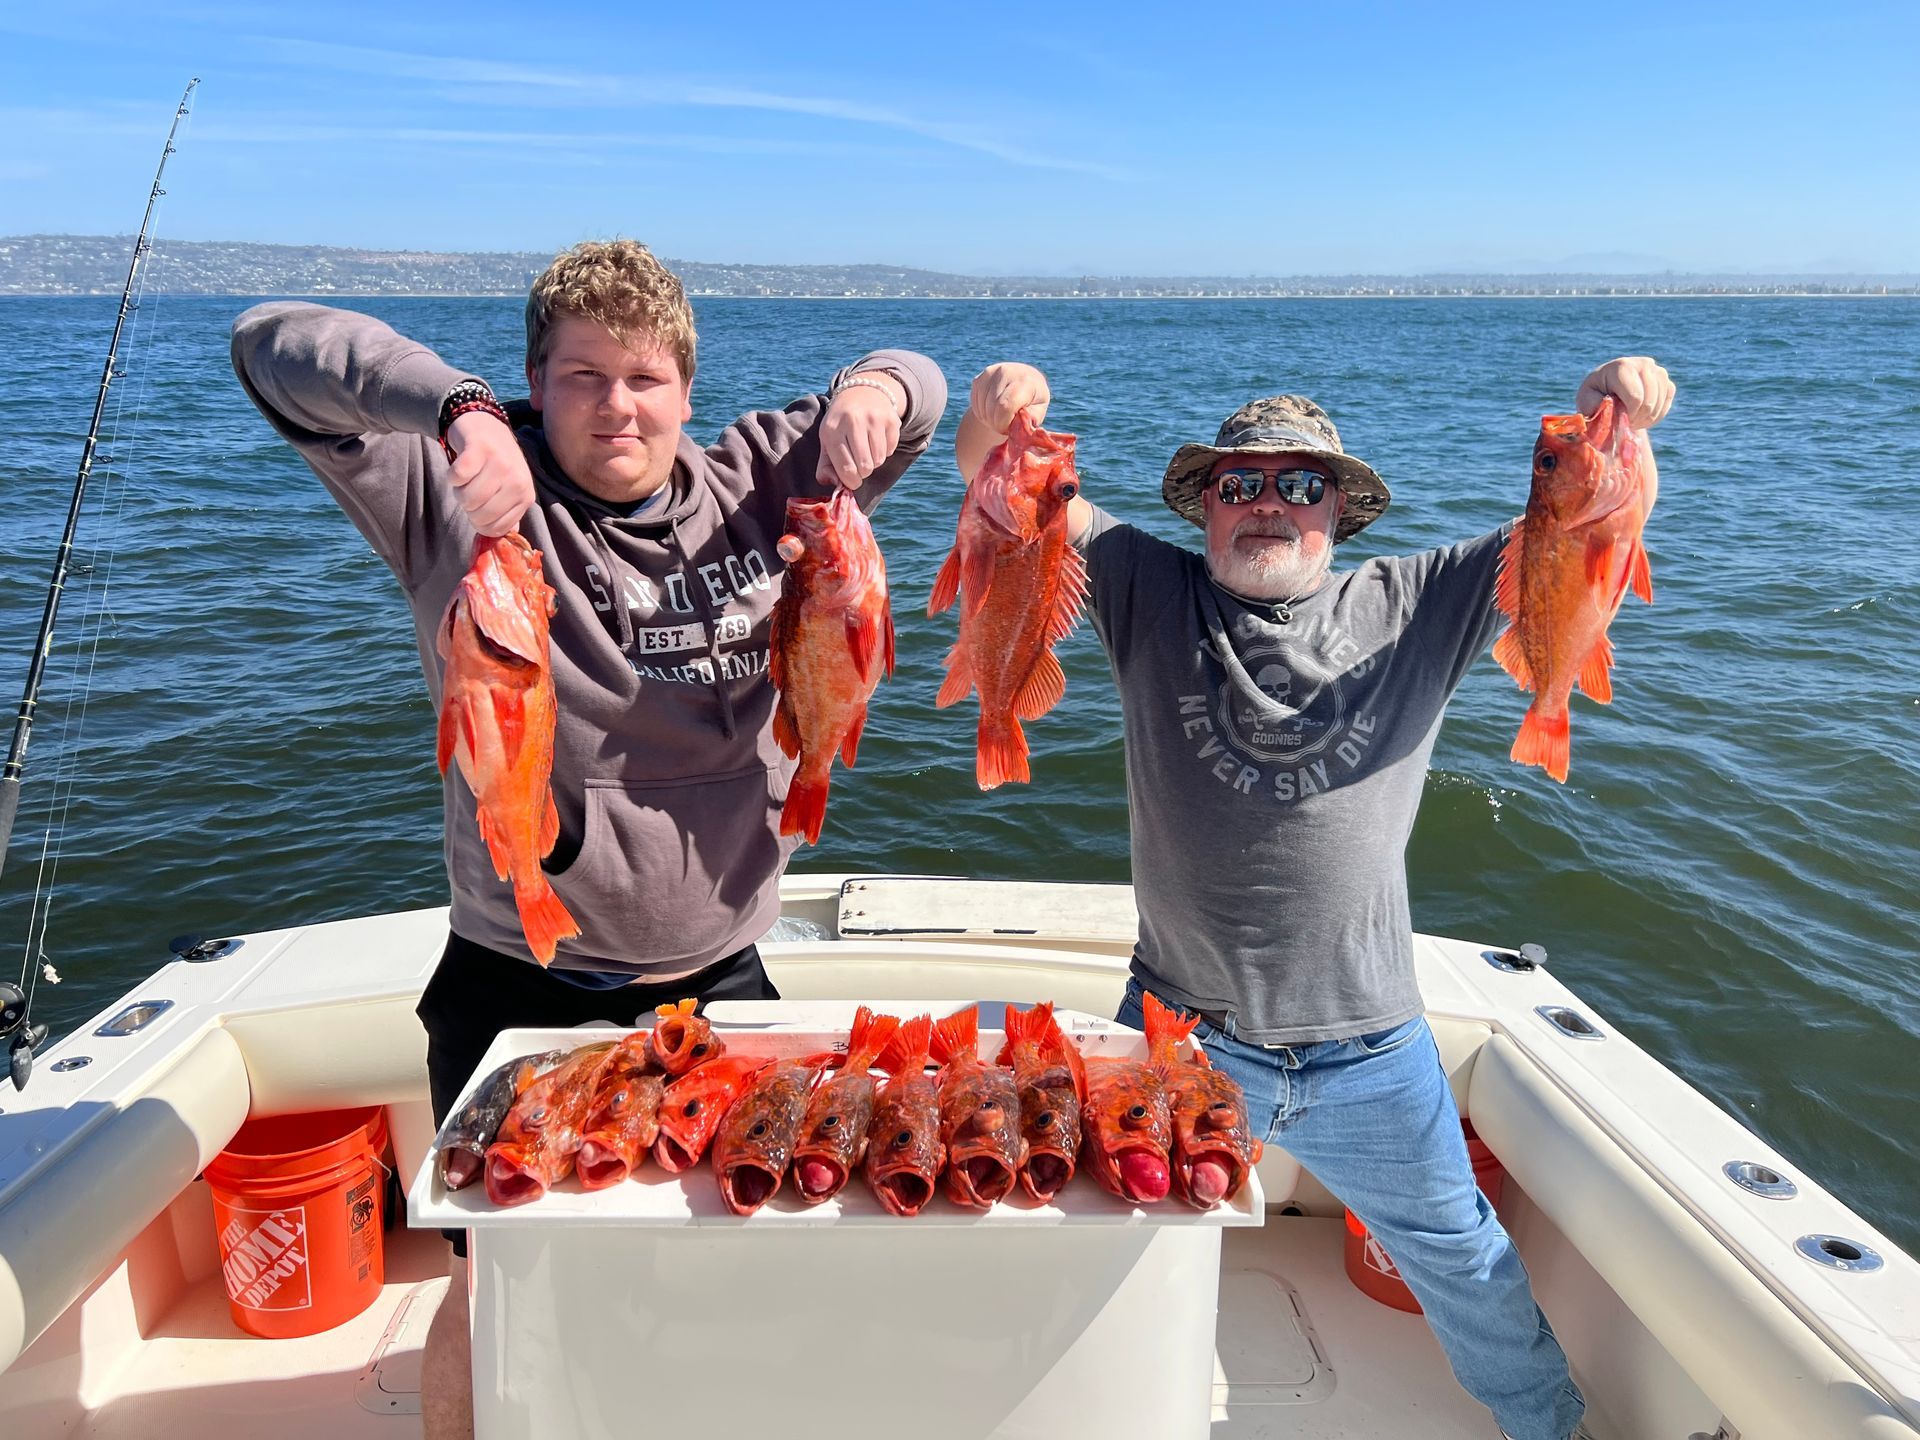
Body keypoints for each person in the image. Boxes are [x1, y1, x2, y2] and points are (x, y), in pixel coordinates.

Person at [231, 239, 947, 1439]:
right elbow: (269, 344)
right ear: (535, 383)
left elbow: (918, 388)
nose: (618, 405)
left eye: (646, 377)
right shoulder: (456, 497)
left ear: (686, 390)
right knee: (494, 1288)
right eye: (582, 376)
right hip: (519, 984)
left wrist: (878, 387)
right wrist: (458, 413)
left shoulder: (768, 484)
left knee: (726, 1265)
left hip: (722, 983)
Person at [953, 356, 1673, 1440]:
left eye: (1300, 484)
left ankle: (1552, 1431)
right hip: (1179, 1033)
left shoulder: (1420, 601)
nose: (1268, 505)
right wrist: (991, 414)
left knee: (1464, 1257)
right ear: (1203, 508)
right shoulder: (1146, 587)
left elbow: (1575, 529)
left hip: (1374, 1048)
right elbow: (1003, 494)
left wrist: (1629, 406)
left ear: (1340, 507)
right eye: (1239, 484)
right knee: (1090, 1237)